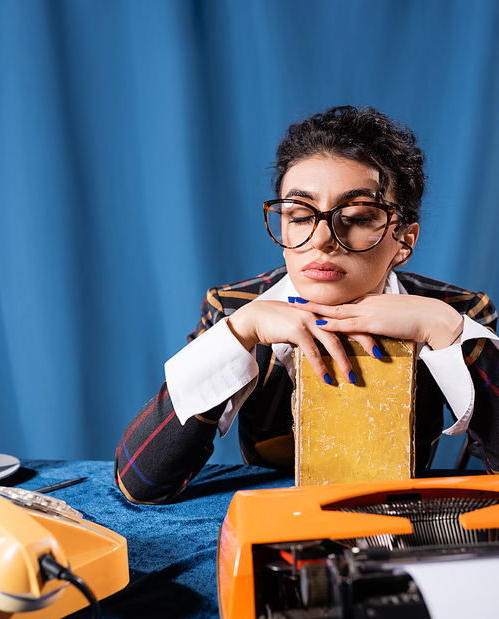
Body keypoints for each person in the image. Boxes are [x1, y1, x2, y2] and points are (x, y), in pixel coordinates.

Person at [115, 105, 499, 504]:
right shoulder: (234, 308)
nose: (321, 239)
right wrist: (237, 334)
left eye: (357, 216)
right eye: (300, 215)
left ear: (404, 241)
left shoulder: (457, 310)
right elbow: (140, 482)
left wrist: (446, 330)